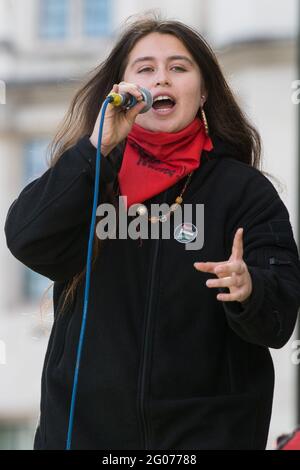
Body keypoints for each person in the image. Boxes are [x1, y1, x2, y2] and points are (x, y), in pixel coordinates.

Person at [4, 13, 300, 450]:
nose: (161, 78)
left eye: (178, 68)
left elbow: (280, 318)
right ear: (122, 90)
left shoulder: (244, 191)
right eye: (145, 69)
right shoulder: (92, 176)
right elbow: (26, 238)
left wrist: (249, 288)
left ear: (203, 93)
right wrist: (95, 150)